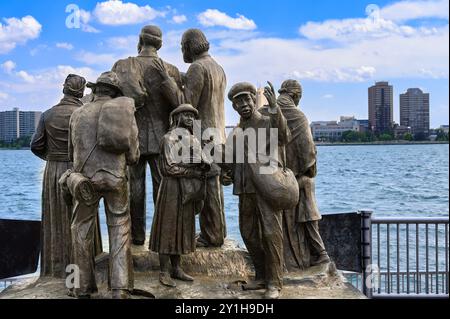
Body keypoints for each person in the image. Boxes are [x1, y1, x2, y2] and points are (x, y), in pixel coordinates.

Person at [68, 71, 140, 299]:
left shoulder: (77, 114)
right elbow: (134, 156)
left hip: (85, 180)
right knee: (120, 228)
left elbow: (72, 154)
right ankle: (119, 289)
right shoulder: (124, 112)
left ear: (94, 89)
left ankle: (80, 287)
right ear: (116, 93)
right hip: (115, 178)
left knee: (80, 230)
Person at [154, 29, 227, 247]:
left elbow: (185, 104)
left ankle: (211, 235)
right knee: (213, 186)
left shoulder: (197, 67)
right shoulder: (217, 67)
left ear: (188, 46)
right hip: (217, 133)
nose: (181, 50)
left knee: (206, 185)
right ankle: (216, 232)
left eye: (182, 46)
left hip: (202, 135)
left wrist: (167, 81)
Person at [112, 25, 183, 246]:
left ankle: (137, 236)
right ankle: (164, 238)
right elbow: (181, 105)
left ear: (140, 41)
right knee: (163, 190)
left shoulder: (122, 66)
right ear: (160, 44)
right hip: (163, 139)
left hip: (131, 137)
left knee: (135, 188)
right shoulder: (170, 69)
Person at [221, 82, 290, 299]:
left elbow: (284, 136)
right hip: (245, 187)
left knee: (271, 233)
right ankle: (261, 275)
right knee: (248, 232)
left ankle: (275, 282)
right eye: (237, 102)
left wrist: (274, 107)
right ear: (234, 107)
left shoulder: (268, 121)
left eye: (245, 99)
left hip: (267, 186)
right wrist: (226, 173)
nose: (243, 104)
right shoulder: (238, 130)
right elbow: (232, 161)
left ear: (253, 99)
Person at [30, 74, 102, 278]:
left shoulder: (47, 115)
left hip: (54, 171)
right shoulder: (85, 113)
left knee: (57, 219)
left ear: (64, 89)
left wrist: (52, 158)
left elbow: (36, 145)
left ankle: (58, 269)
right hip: (80, 170)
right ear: (81, 92)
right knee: (83, 218)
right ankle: (86, 270)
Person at [261, 80, 330, 270]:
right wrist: (310, 170)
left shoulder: (264, 112)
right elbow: (308, 152)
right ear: (296, 95)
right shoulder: (299, 117)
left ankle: (281, 262)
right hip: (296, 180)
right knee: (307, 209)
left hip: (271, 178)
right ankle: (318, 254)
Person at [149, 104, 211, 287]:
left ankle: (177, 268)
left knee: (182, 228)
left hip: (188, 189)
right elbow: (168, 168)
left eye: (192, 116)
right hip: (171, 188)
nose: (190, 118)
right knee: (167, 228)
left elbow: (201, 162)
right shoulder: (168, 139)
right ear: (177, 117)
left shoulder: (193, 139)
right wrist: (193, 170)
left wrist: (204, 163)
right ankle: (163, 272)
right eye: (186, 115)